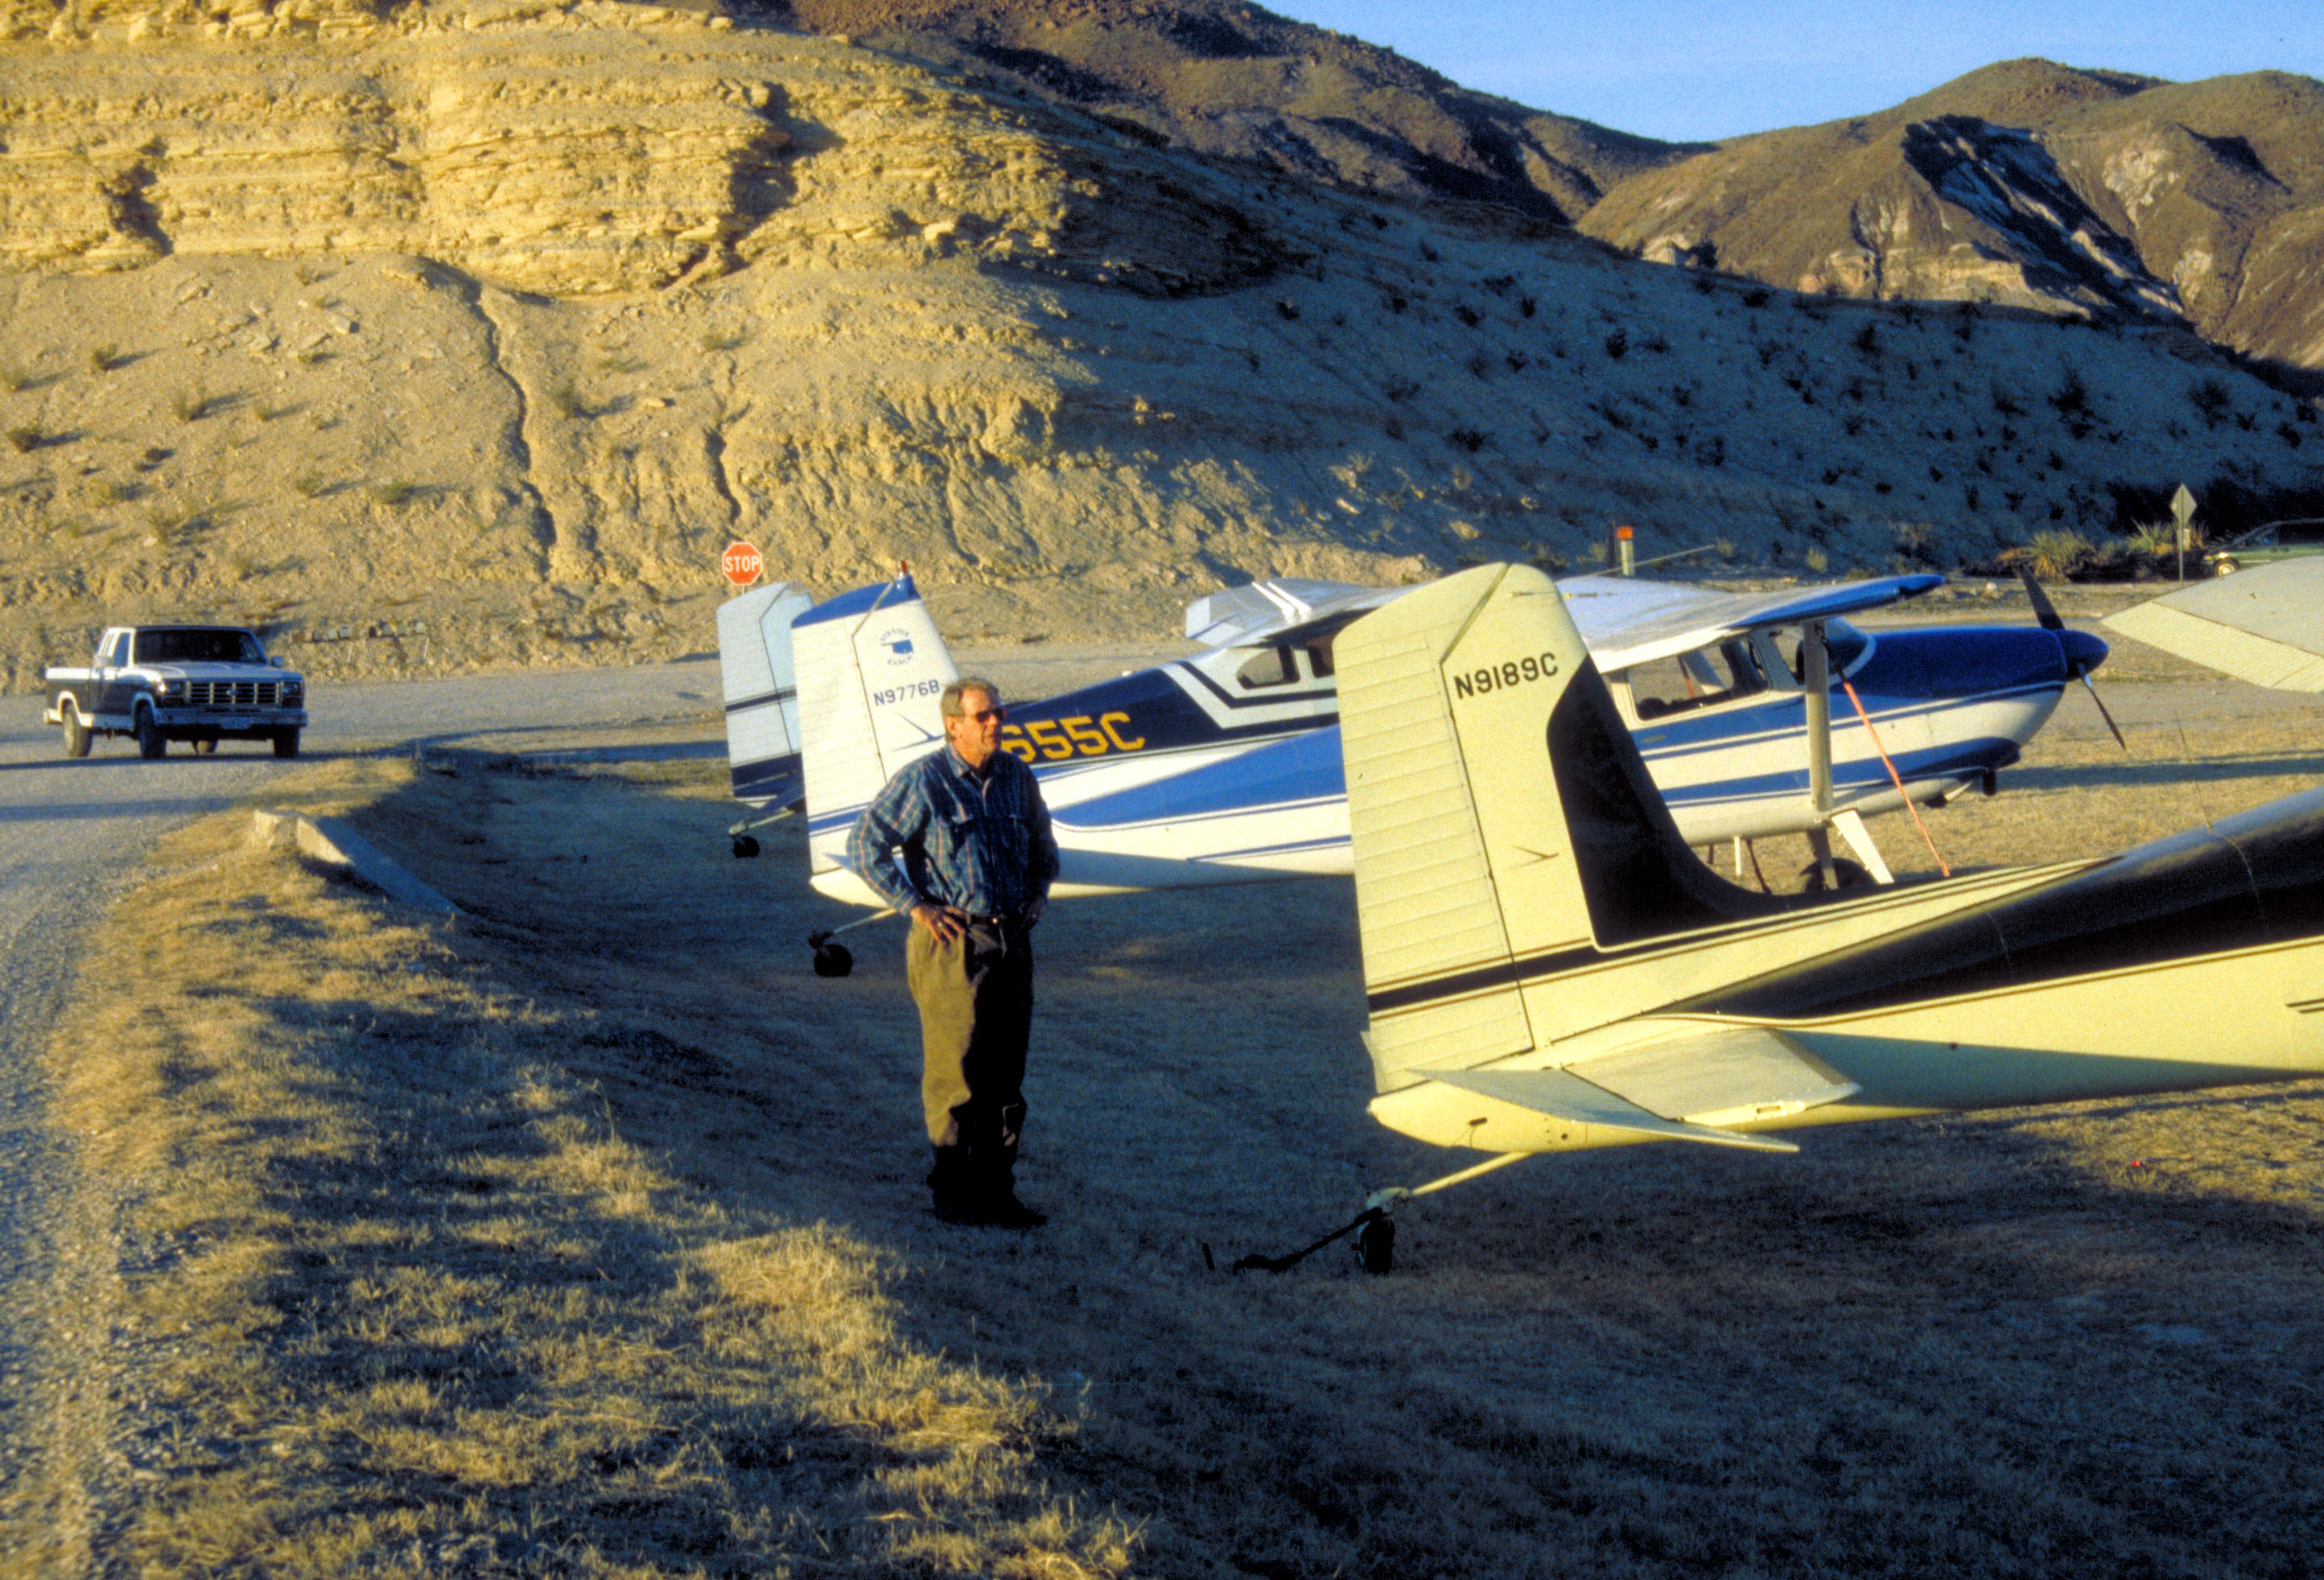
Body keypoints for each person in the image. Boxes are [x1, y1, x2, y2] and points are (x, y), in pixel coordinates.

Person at [846, 678, 1060, 1226]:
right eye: (983, 715)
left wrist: (1037, 893)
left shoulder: (1016, 777)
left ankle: (998, 1190)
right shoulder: (924, 779)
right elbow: (864, 844)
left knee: (1007, 1076)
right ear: (953, 725)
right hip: (952, 944)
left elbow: (1044, 844)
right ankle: (952, 1191)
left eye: (999, 712)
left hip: (1011, 940)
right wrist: (915, 906)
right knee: (956, 1073)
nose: (996, 723)